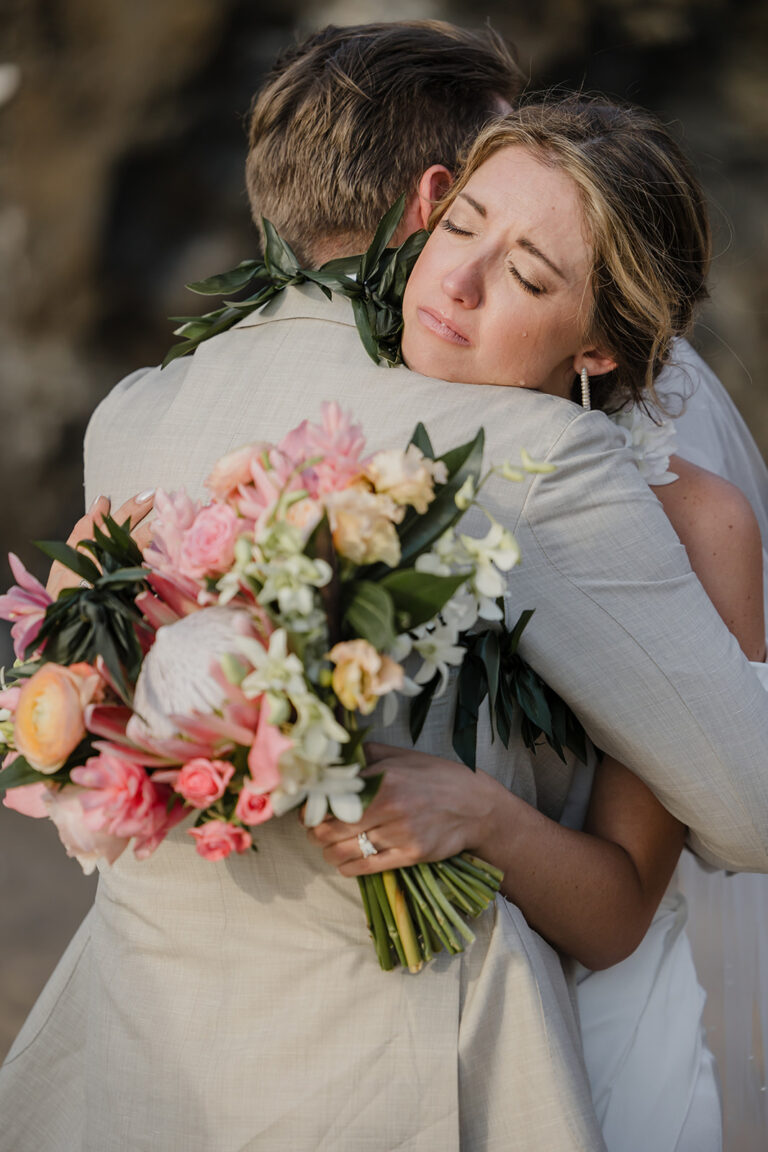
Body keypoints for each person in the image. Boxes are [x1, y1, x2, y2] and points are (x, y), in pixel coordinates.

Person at [2, 24, 767, 1152]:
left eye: (526, 267)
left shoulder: (135, 418)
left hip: (135, 1057)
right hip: (397, 1075)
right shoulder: (517, 448)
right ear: (427, 202)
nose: (459, 277)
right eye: (464, 221)